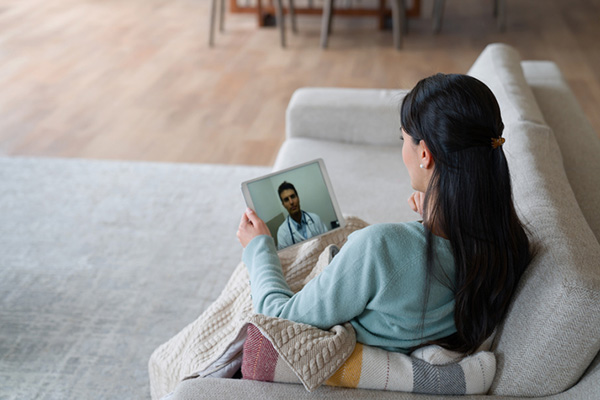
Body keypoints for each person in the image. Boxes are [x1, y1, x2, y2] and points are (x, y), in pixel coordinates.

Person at [237, 73, 532, 355]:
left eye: (403, 139)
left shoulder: (379, 248)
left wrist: (258, 248)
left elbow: (278, 319)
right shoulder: (509, 244)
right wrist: (436, 216)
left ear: (425, 154)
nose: (403, 148)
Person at [275, 181, 329, 250]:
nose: (291, 202)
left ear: (298, 197)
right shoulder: (282, 233)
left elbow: (328, 241)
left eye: (293, 196)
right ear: (283, 204)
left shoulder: (315, 219)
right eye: (286, 200)